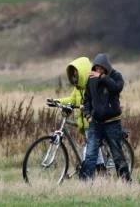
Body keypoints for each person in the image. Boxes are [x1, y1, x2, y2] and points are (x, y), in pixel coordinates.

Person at [79, 53, 130, 181]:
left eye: (101, 68)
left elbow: (116, 88)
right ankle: (85, 183)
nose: (98, 71)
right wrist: (88, 115)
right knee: (90, 154)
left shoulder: (116, 76)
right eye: (96, 68)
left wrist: (102, 77)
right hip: (95, 123)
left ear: (106, 67)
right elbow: (87, 99)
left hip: (112, 123)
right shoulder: (91, 79)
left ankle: (125, 181)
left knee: (117, 154)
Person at [50, 57, 92, 142]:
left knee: (90, 153)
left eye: (77, 74)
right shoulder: (78, 89)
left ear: (83, 73)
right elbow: (72, 99)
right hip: (83, 124)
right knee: (90, 151)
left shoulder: (92, 87)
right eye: (74, 74)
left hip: (91, 123)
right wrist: (57, 101)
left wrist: (86, 107)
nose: (75, 77)